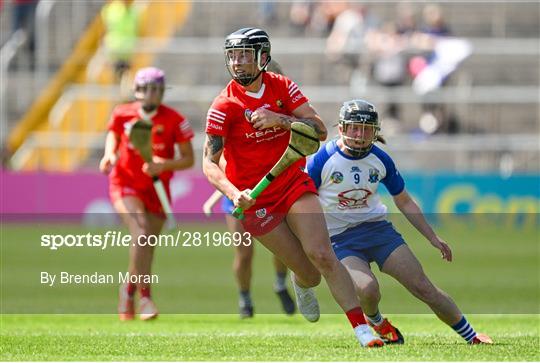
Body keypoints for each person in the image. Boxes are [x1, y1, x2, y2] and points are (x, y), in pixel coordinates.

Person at [202, 27, 383, 348]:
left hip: (292, 182)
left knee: (323, 254)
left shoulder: (282, 87)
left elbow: (318, 130)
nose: (237, 62)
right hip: (255, 199)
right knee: (310, 274)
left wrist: (281, 120)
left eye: (244, 55)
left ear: (262, 57)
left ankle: (362, 329)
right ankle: (301, 284)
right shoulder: (223, 106)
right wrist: (232, 193)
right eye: (232, 56)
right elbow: (209, 163)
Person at [307, 99, 493, 345]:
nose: (360, 135)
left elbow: (404, 201)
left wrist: (432, 237)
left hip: (378, 231)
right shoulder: (322, 159)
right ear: (341, 129)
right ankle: (376, 321)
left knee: (424, 287)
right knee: (367, 289)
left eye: (367, 129)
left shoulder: (380, 159)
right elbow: (304, 199)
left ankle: (472, 336)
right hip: (341, 239)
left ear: (375, 131)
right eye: (354, 128)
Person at [99, 67, 195, 321]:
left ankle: (127, 291)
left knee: (145, 248)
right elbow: (113, 136)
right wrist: (110, 154)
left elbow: (188, 159)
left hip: (158, 189)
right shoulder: (122, 114)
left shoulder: (175, 120)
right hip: (125, 184)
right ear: (137, 91)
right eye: (145, 89)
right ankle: (145, 298)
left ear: (162, 92)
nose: (150, 94)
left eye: (156, 89)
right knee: (140, 233)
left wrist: (164, 165)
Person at [202, 60, 295, 319]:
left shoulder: (283, 105)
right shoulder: (230, 105)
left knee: (283, 248)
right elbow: (218, 156)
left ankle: (279, 283)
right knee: (244, 251)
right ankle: (245, 298)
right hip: (239, 194)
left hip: (275, 190)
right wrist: (231, 190)